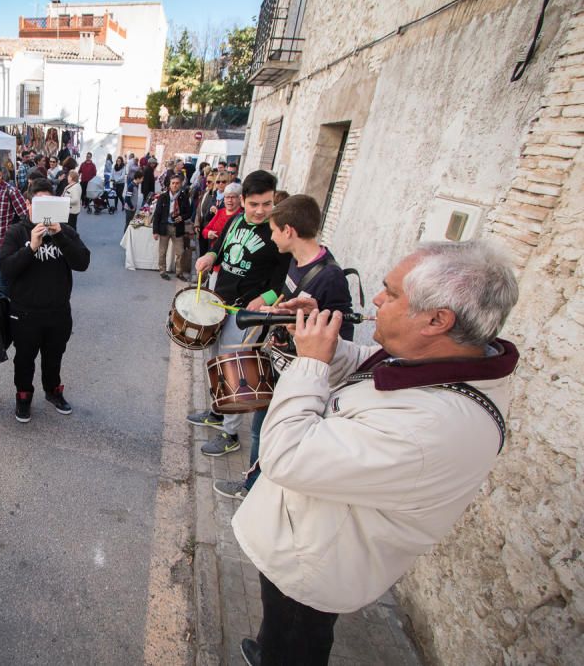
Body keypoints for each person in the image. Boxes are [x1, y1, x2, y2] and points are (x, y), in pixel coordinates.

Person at [231, 240, 519, 666]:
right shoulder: (437, 363)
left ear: (437, 321)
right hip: (307, 537)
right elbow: (369, 370)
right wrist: (311, 336)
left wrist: (310, 365)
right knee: (281, 630)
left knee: (296, 641)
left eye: (392, 292)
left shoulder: (434, 428)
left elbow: (286, 455)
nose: (378, 300)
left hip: (312, 563)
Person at [212, 194, 355, 501]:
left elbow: (343, 333)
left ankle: (254, 491)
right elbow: (286, 298)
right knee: (260, 430)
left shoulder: (330, 277)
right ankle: (254, 485)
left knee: (269, 434)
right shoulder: (297, 262)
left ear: (288, 231)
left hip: (298, 374)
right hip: (279, 361)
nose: (271, 236)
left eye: (275, 230)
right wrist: (272, 310)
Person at [186, 171, 290, 454]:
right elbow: (219, 250)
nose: (260, 211)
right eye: (254, 204)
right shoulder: (234, 220)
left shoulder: (278, 231)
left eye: (266, 204)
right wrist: (209, 257)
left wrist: (263, 299)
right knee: (215, 360)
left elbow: (283, 280)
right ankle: (217, 412)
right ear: (243, 200)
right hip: (221, 304)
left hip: (247, 314)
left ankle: (230, 434)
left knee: (234, 370)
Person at [0, 179, 90, 424]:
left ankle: (53, 391)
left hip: (58, 311)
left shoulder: (65, 231)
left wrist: (60, 235)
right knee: (24, 359)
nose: (45, 211)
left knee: (54, 356)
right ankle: (24, 396)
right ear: (28, 205)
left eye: (50, 204)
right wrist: (31, 247)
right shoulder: (17, 232)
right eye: (39, 204)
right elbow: (6, 269)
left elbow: (82, 263)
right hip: (25, 313)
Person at [0, 160, 30, 290]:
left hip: (3, 245)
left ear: (0, 175)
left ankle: (6, 308)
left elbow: (25, 216)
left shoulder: (11, 192)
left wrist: (14, 237)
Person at [151, 173, 192, 281]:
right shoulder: (163, 197)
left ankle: (179, 273)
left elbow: (189, 212)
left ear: (181, 184)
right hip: (165, 227)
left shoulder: (184, 197)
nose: (175, 185)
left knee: (180, 252)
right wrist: (155, 231)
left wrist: (182, 217)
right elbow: (157, 214)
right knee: (162, 251)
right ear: (169, 184)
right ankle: (162, 271)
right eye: (173, 183)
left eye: (177, 183)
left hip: (177, 228)